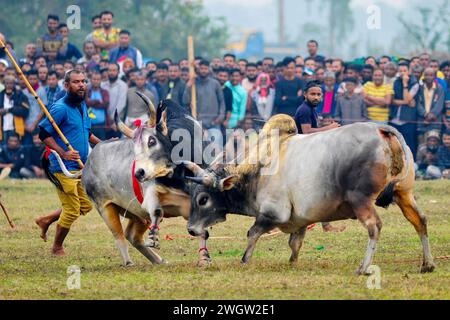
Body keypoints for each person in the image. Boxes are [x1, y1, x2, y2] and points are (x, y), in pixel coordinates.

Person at [35, 70, 102, 256]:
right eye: (76, 82)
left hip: (80, 165)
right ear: (66, 85)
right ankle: (57, 247)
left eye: (83, 81)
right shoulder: (60, 108)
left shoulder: (81, 105)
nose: (81, 85)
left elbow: (87, 133)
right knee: (72, 210)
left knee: (86, 205)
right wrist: (63, 153)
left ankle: (46, 220)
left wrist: (104, 145)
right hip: (61, 167)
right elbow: (43, 134)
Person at [294, 80, 343, 233]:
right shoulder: (304, 110)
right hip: (303, 155)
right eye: (313, 94)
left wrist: (325, 126)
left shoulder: (311, 109)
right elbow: (307, 132)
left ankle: (324, 225)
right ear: (305, 95)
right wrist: (330, 128)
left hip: (309, 154)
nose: (316, 97)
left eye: (319, 94)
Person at [183, 59, 225, 131]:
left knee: (216, 142)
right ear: (198, 69)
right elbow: (185, 101)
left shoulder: (215, 83)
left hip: (214, 123)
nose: (203, 71)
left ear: (209, 69)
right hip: (198, 123)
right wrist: (188, 86)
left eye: (205, 69)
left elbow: (221, 102)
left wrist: (220, 117)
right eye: (201, 68)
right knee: (197, 142)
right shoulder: (193, 84)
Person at [390, 62, 420, 158]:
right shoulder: (395, 82)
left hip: (408, 119)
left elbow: (406, 97)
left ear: (409, 71)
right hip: (394, 118)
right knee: (394, 144)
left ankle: (411, 164)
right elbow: (392, 101)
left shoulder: (415, 83)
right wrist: (406, 102)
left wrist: (405, 84)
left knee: (409, 144)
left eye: (405, 71)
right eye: (400, 71)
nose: (403, 73)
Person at [416, 68, 445, 138]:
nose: (429, 77)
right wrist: (425, 114)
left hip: (435, 122)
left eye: (431, 75)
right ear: (424, 76)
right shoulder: (419, 88)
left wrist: (431, 115)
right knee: (421, 146)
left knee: (433, 144)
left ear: (435, 77)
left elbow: (440, 104)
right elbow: (417, 103)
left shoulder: (439, 88)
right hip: (422, 122)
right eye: (426, 75)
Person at [0, 75, 29, 144]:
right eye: (7, 83)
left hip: (16, 128)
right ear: (4, 84)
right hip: (2, 128)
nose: (9, 85)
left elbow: (25, 111)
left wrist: (9, 110)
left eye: (11, 83)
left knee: (16, 147)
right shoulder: (0, 95)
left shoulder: (20, 95)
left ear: (14, 84)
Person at [101, 62, 127, 138]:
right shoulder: (103, 85)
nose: (111, 73)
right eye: (109, 70)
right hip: (104, 123)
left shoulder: (122, 85)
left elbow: (121, 105)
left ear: (118, 72)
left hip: (116, 122)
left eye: (114, 70)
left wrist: (111, 119)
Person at [21, 70, 47, 146]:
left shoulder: (41, 90)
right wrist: (24, 125)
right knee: (26, 146)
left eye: (34, 79)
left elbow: (43, 109)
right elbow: (21, 110)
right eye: (30, 79)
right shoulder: (24, 92)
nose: (32, 81)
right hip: (26, 125)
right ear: (27, 79)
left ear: (37, 79)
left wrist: (34, 124)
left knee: (39, 146)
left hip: (38, 124)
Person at [86, 71, 109, 140]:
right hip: (89, 125)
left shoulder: (104, 92)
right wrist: (98, 101)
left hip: (101, 126)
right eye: (94, 79)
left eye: (98, 79)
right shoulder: (87, 91)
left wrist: (91, 102)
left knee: (102, 146)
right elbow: (86, 103)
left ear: (101, 80)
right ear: (90, 80)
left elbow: (105, 104)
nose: (96, 81)